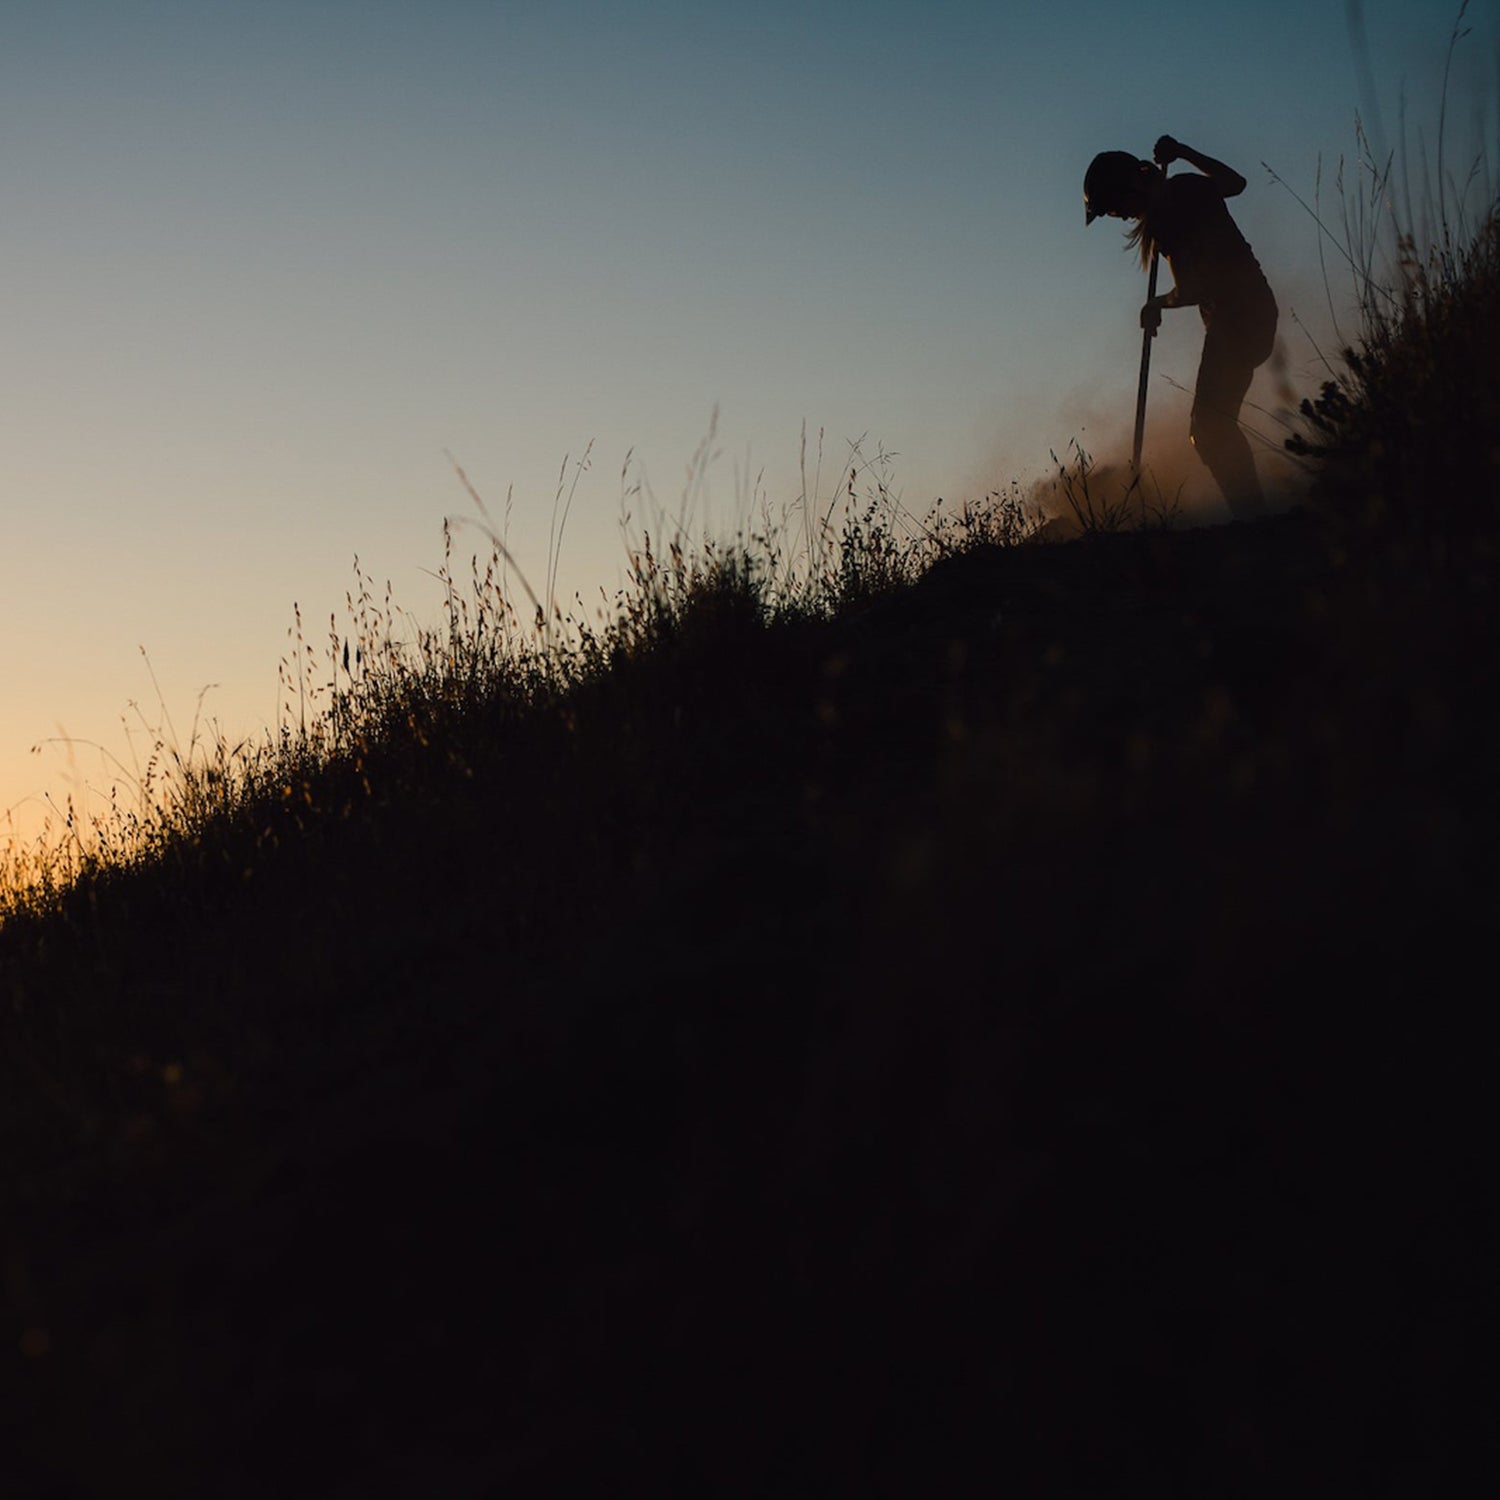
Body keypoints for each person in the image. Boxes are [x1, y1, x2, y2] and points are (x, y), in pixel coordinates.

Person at [1084, 137, 1278, 519]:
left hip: (1234, 321)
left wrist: (1157, 303)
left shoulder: (1167, 213)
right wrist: (1185, 152)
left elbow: (1194, 289)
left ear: (1131, 187)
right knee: (1214, 425)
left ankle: (1255, 519)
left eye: (1115, 207)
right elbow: (1235, 183)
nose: (1121, 217)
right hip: (1256, 312)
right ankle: (1254, 515)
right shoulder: (1186, 187)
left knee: (1208, 429)